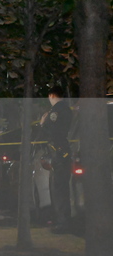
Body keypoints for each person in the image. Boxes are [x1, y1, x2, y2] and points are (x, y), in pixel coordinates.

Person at [40, 86, 73, 233]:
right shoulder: (67, 110)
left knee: (58, 188)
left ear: (52, 95)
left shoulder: (55, 112)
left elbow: (51, 132)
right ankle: (62, 220)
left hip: (58, 153)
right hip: (62, 152)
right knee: (61, 188)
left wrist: (43, 123)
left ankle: (63, 223)